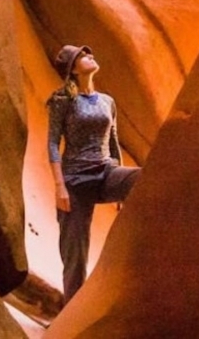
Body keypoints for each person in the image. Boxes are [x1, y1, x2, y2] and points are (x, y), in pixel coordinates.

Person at [47, 44, 141, 304]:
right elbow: (53, 143)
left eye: (89, 52)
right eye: (82, 56)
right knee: (75, 259)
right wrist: (59, 186)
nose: (90, 55)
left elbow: (113, 142)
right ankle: (68, 324)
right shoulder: (62, 100)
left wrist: (121, 183)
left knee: (144, 179)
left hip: (106, 173)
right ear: (73, 69)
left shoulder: (107, 102)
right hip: (75, 182)